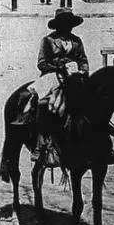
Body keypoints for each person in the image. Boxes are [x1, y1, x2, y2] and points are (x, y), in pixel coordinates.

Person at [16, 9, 89, 162]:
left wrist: (82, 70)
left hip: (74, 77)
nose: (67, 27)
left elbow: (83, 60)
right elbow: (42, 63)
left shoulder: (76, 41)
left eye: (69, 24)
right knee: (44, 103)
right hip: (53, 76)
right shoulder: (48, 40)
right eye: (64, 24)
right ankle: (40, 143)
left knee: (92, 99)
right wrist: (59, 67)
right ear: (58, 25)